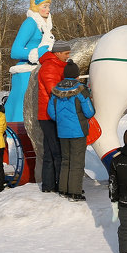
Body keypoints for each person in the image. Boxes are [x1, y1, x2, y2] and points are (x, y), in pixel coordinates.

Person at [6, 0, 55, 124]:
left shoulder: (44, 28)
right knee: (21, 106)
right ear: (36, 7)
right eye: (44, 6)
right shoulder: (30, 23)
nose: (47, 10)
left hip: (38, 71)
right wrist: (35, 54)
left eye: (49, 7)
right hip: (26, 74)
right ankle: (13, 131)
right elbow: (15, 51)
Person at [48, 60, 95, 201]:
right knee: (77, 161)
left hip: (62, 131)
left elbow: (51, 112)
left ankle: (64, 189)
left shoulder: (56, 90)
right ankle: (75, 192)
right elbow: (89, 112)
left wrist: (62, 121)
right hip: (78, 131)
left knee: (66, 160)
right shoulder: (81, 89)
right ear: (77, 75)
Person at [36, 40, 72, 193]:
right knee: (57, 151)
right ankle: (59, 184)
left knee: (50, 152)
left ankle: (49, 184)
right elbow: (54, 91)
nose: (68, 56)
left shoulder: (56, 66)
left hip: (50, 114)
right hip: (49, 115)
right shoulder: (50, 67)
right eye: (66, 53)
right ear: (57, 53)